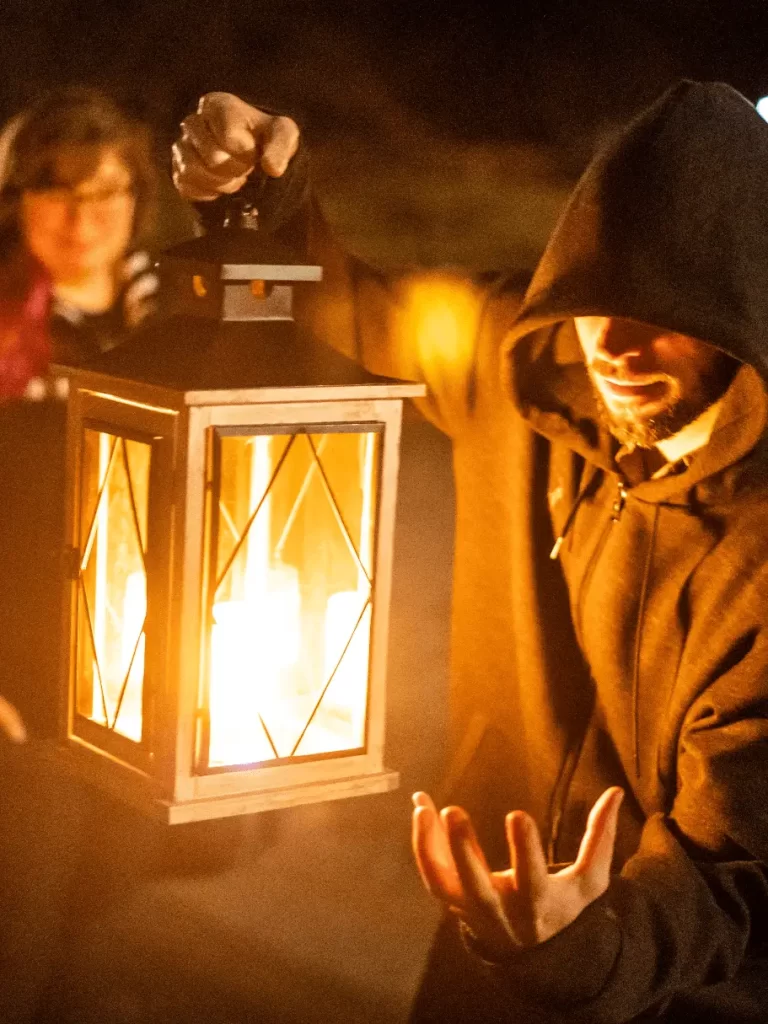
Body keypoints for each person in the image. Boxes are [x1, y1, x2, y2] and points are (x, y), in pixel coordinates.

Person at [173, 79, 768, 1023]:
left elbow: (730, 860)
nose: (611, 344)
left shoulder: (759, 551)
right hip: (477, 907)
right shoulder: (522, 367)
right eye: (595, 295)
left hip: (662, 983)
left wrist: (590, 939)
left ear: (742, 311)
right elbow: (355, 309)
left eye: (664, 312)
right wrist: (261, 197)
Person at [0, 86, 164, 1024]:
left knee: (104, 908)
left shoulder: (169, 311)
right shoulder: (6, 316)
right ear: (18, 196)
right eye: (58, 190)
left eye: (108, 191)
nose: (84, 215)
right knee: (19, 921)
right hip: (20, 684)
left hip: (131, 676)